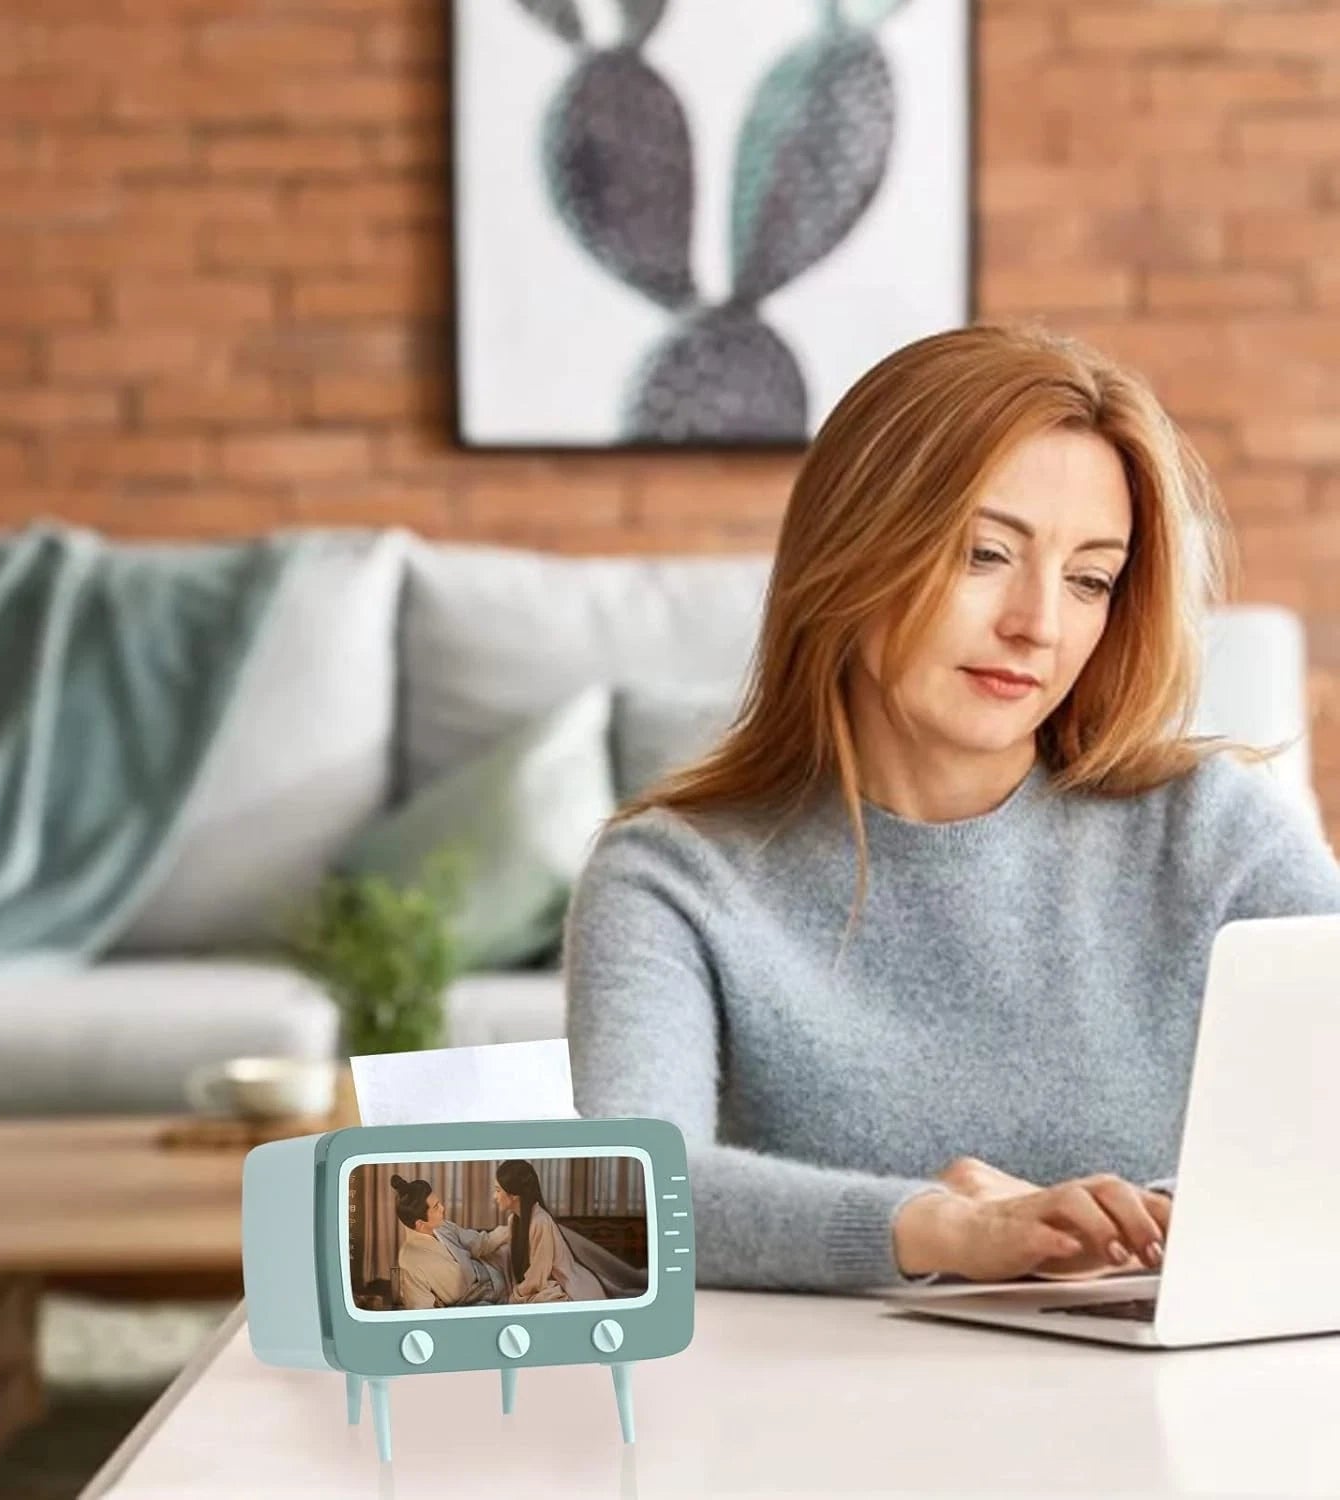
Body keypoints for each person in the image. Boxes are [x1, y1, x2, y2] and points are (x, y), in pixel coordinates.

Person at [563, 323, 1340, 1296]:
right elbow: (627, 1203)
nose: (1038, 625)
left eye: (1090, 579)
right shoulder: (671, 876)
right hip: (814, 1420)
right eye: (984, 554)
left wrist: (1155, 1232)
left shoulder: (1215, 833)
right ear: (854, 543)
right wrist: (943, 1230)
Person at [493, 1159, 646, 1303]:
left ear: (514, 1195)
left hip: (569, 1287)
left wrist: (516, 1294)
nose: (495, 1197)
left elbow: (538, 1275)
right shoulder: (515, 1220)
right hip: (545, 1285)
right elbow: (497, 1241)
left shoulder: (541, 1221)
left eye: (498, 1190)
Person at [390, 1174, 511, 1310]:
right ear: (420, 1224)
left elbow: (480, 1243)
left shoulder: (442, 1227)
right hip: (472, 1303)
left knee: (511, 1251)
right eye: (436, 1207)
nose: (442, 1208)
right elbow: (422, 1309)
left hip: (490, 1273)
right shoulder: (410, 1259)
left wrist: (512, 1228)